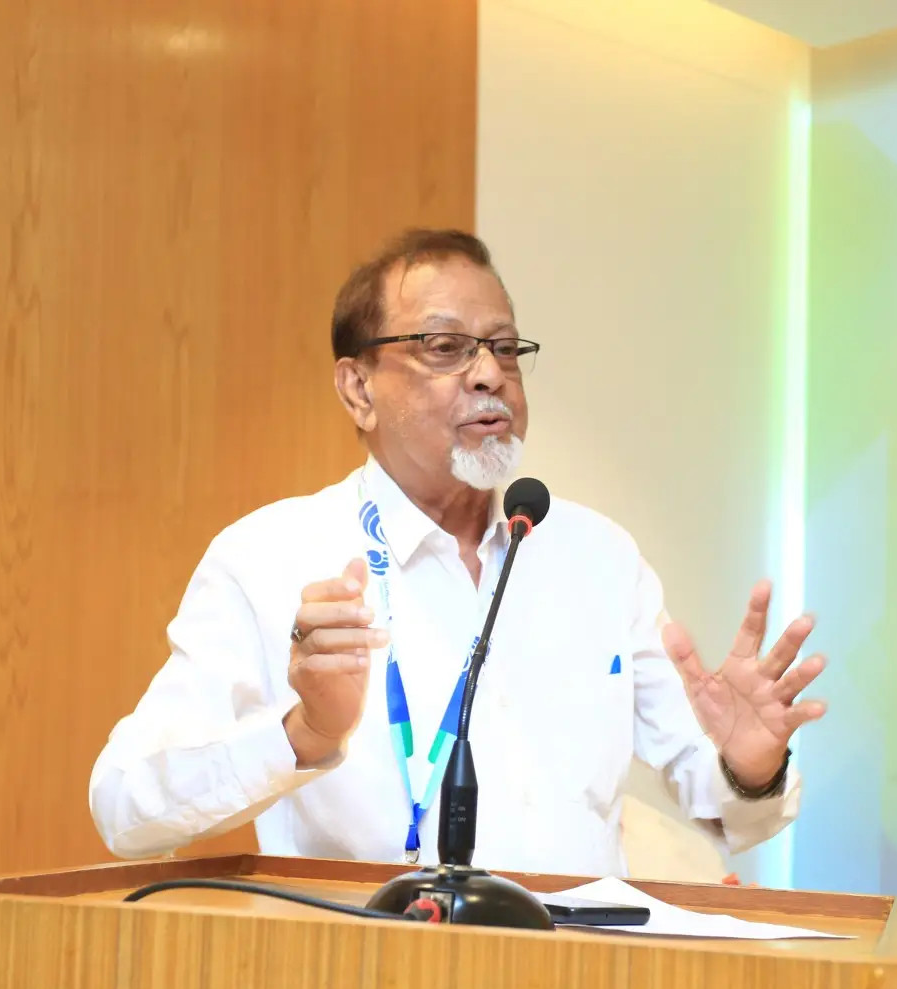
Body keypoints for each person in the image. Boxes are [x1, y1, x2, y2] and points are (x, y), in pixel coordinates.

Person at [88, 229, 827, 876]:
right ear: (358, 390)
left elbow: (736, 812)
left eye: (504, 348)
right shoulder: (269, 557)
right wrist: (303, 735)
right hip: (367, 968)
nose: (489, 374)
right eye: (444, 348)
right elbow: (123, 808)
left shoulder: (598, 557)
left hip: (578, 969)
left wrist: (749, 764)